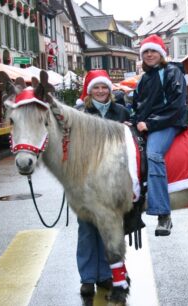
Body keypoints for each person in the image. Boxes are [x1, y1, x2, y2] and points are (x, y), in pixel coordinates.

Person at [75, 69, 130, 298]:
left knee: (109, 230)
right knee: (87, 229)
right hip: (86, 183)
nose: (100, 91)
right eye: (96, 87)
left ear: (110, 89)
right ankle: (88, 277)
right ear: (90, 91)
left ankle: (107, 274)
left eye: (104, 87)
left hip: (114, 182)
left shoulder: (122, 112)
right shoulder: (80, 113)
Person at [132, 34, 188, 236]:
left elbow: (177, 106)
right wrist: (130, 119)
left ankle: (163, 214)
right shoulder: (144, 78)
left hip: (168, 123)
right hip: (146, 125)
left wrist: (150, 123)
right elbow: (136, 104)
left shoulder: (172, 72)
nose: (149, 54)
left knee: (153, 154)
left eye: (153, 50)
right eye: (145, 51)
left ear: (161, 53)